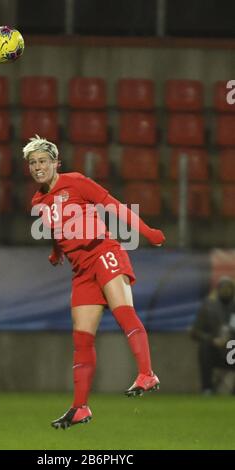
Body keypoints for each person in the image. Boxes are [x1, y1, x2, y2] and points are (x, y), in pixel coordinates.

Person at [23, 135, 165, 429]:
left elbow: (113, 206)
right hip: (81, 270)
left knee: (123, 311)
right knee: (82, 338)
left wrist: (148, 232)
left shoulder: (76, 181)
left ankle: (147, 373)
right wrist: (55, 251)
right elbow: (57, 227)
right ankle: (80, 408)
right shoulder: (38, 200)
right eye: (32, 163)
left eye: (42, 161)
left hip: (103, 252)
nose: (38, 167)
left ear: (55, 163)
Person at [191, 276, 235, 395]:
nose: (226, 291)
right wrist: (212, 340)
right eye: (223, 288)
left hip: (232, 350)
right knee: (205, 348)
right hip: (215, 350)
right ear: (218, 289)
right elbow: (195, 332)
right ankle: (207, 389)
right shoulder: (208, 307)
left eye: (229, 288)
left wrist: (229, 340)